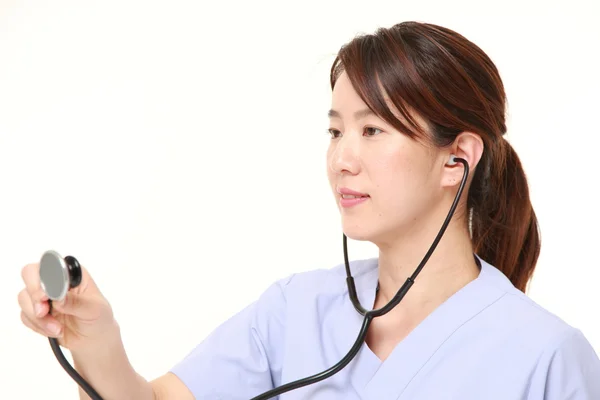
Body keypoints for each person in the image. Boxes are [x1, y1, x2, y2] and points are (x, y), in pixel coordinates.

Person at [17, 20, 600, 400]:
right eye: (335, 130)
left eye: (372, 130)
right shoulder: (294, 311)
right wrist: (95, 339)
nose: (341, 159)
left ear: (457, 160)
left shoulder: (546, 357)